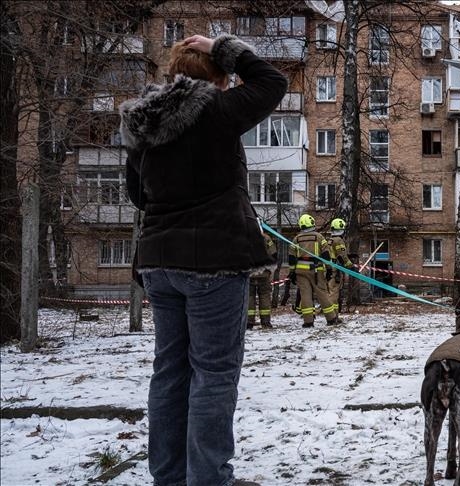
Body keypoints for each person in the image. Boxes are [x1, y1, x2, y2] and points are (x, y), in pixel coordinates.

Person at [121, 33, 286, 486]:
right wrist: (223, 47)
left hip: (158, 263)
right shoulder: (215, 110)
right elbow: (271, 81)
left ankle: (170, 478)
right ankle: (209, 479)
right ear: (216, 76)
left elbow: (138, 195)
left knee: (169, 372)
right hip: (213, 263)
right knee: (213, 374)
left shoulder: (144, 120)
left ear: (174, 73)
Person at [288, 214, 339, 327]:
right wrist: (329, 269)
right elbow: (326, 255)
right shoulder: (319, 237)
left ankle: (308, 321)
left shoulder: (296, 239)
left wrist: (291, 272)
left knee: (305, 295)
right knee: (322, 294)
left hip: (300, 271)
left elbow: (291, 258)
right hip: (316, 270)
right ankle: (331, 318)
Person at [248, 234, 278, 329]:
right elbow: (274, 254)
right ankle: (265, 322)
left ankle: (249, 322)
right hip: (264, 273)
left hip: (249, 273)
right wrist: (270, 269)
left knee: (249, 297)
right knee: (265, 296)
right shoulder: (266, 238)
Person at [327, 218, 355, 319]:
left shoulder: (330, 240)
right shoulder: (339, 240)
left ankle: (332, 315)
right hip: (335, 269)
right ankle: (333, 316)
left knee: (330, 291)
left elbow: (334, 254)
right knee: (334, 293)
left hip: (329, 268)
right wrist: (350, 266)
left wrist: (350, 256)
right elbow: (341, 256)